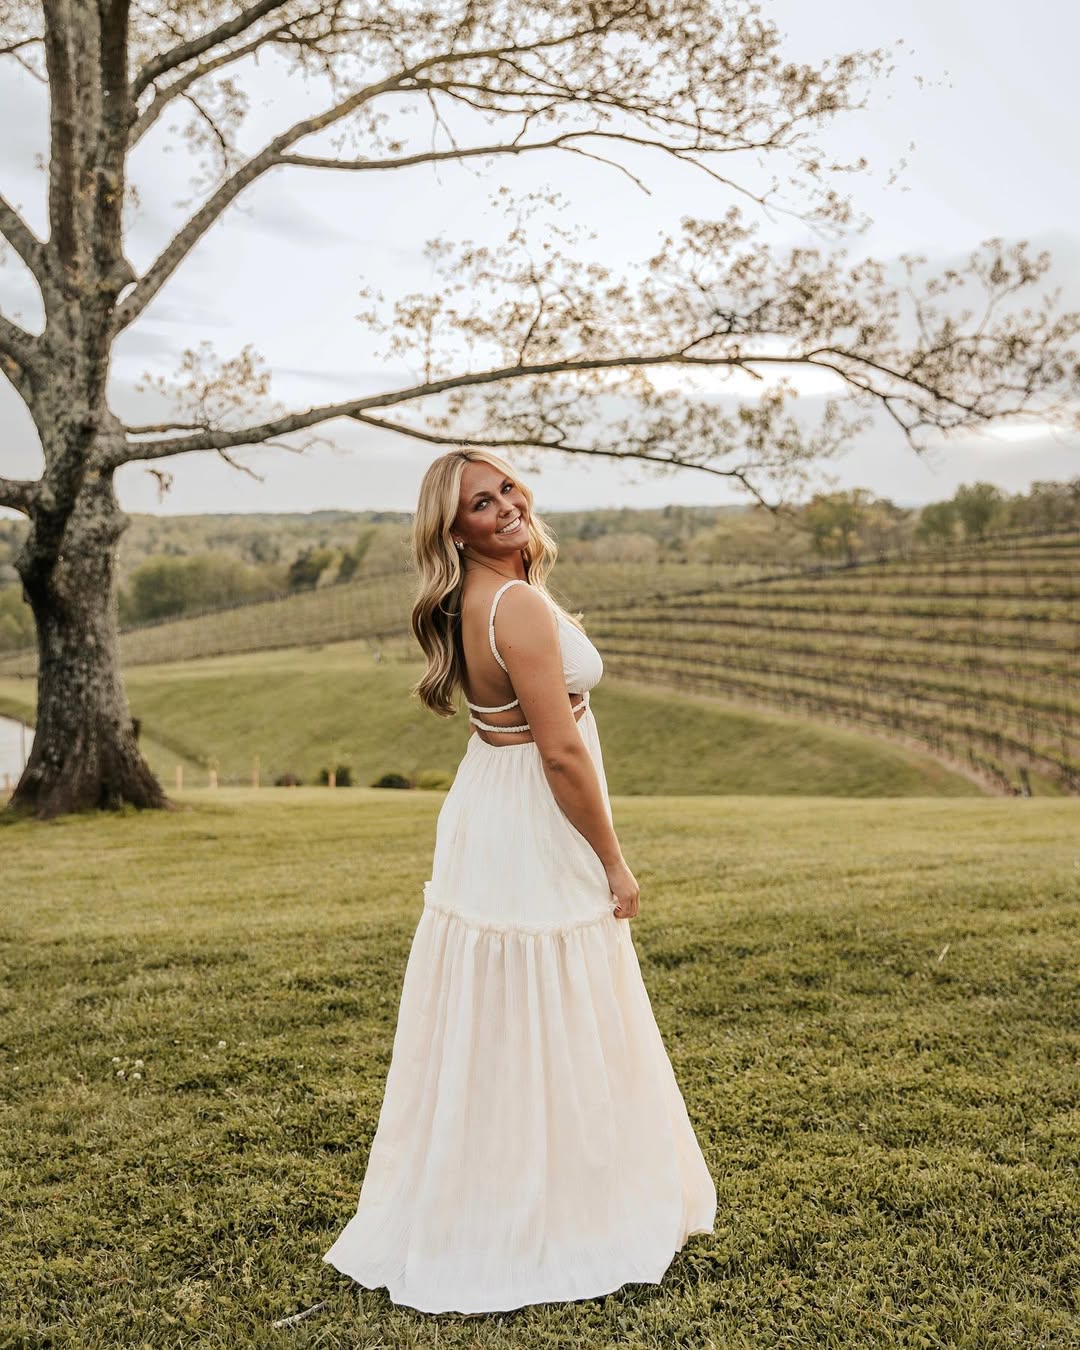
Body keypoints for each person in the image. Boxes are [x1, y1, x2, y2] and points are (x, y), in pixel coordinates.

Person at [322, 448, 716, 1315]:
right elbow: (561, 751)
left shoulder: (479, 595)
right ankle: (562, 1212)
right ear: (454, 531)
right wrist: (613, 860)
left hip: (489, 805)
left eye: (506, 487)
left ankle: (499, 1195)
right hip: (533, 816)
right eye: (479, 503)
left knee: (503, 1011)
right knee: (556, 998)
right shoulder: (517, 605)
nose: (504, 505)